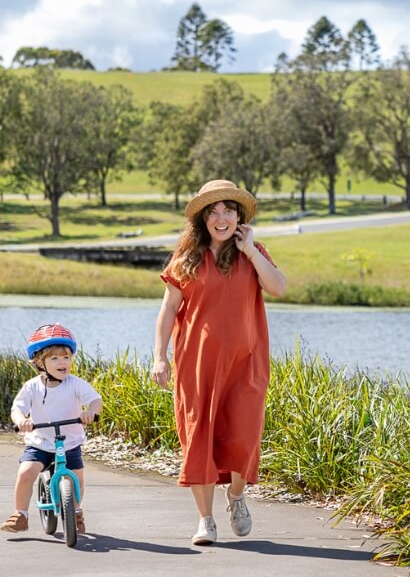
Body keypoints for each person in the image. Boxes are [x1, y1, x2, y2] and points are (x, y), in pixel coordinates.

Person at [152, 179, 287, 545]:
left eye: (228, 210)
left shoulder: (253, 252)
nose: (221, 217)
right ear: (203, 220)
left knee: (243, 437)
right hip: (197, 367)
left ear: (239, 217)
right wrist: (159, 358)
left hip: (247, 365)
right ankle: (205, 521)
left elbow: (279, 287)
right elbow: (168, 311)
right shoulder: (186, 260)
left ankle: (237, 496)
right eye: (213, 212)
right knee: (199, 440)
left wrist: (252, 251)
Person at [0, 324, 102, 534]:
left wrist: (90, 412)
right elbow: (17, 408)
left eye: (66, 357)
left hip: (70, 442)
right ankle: (20, 515)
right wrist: (22, 420)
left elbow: (95, 399)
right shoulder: (32, 386)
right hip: (41, 443)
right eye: (54, 358)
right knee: (26, 472)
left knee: (76, 479)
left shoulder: (75, 384)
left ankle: (76, 512)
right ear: (39, 362)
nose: (62, 362)